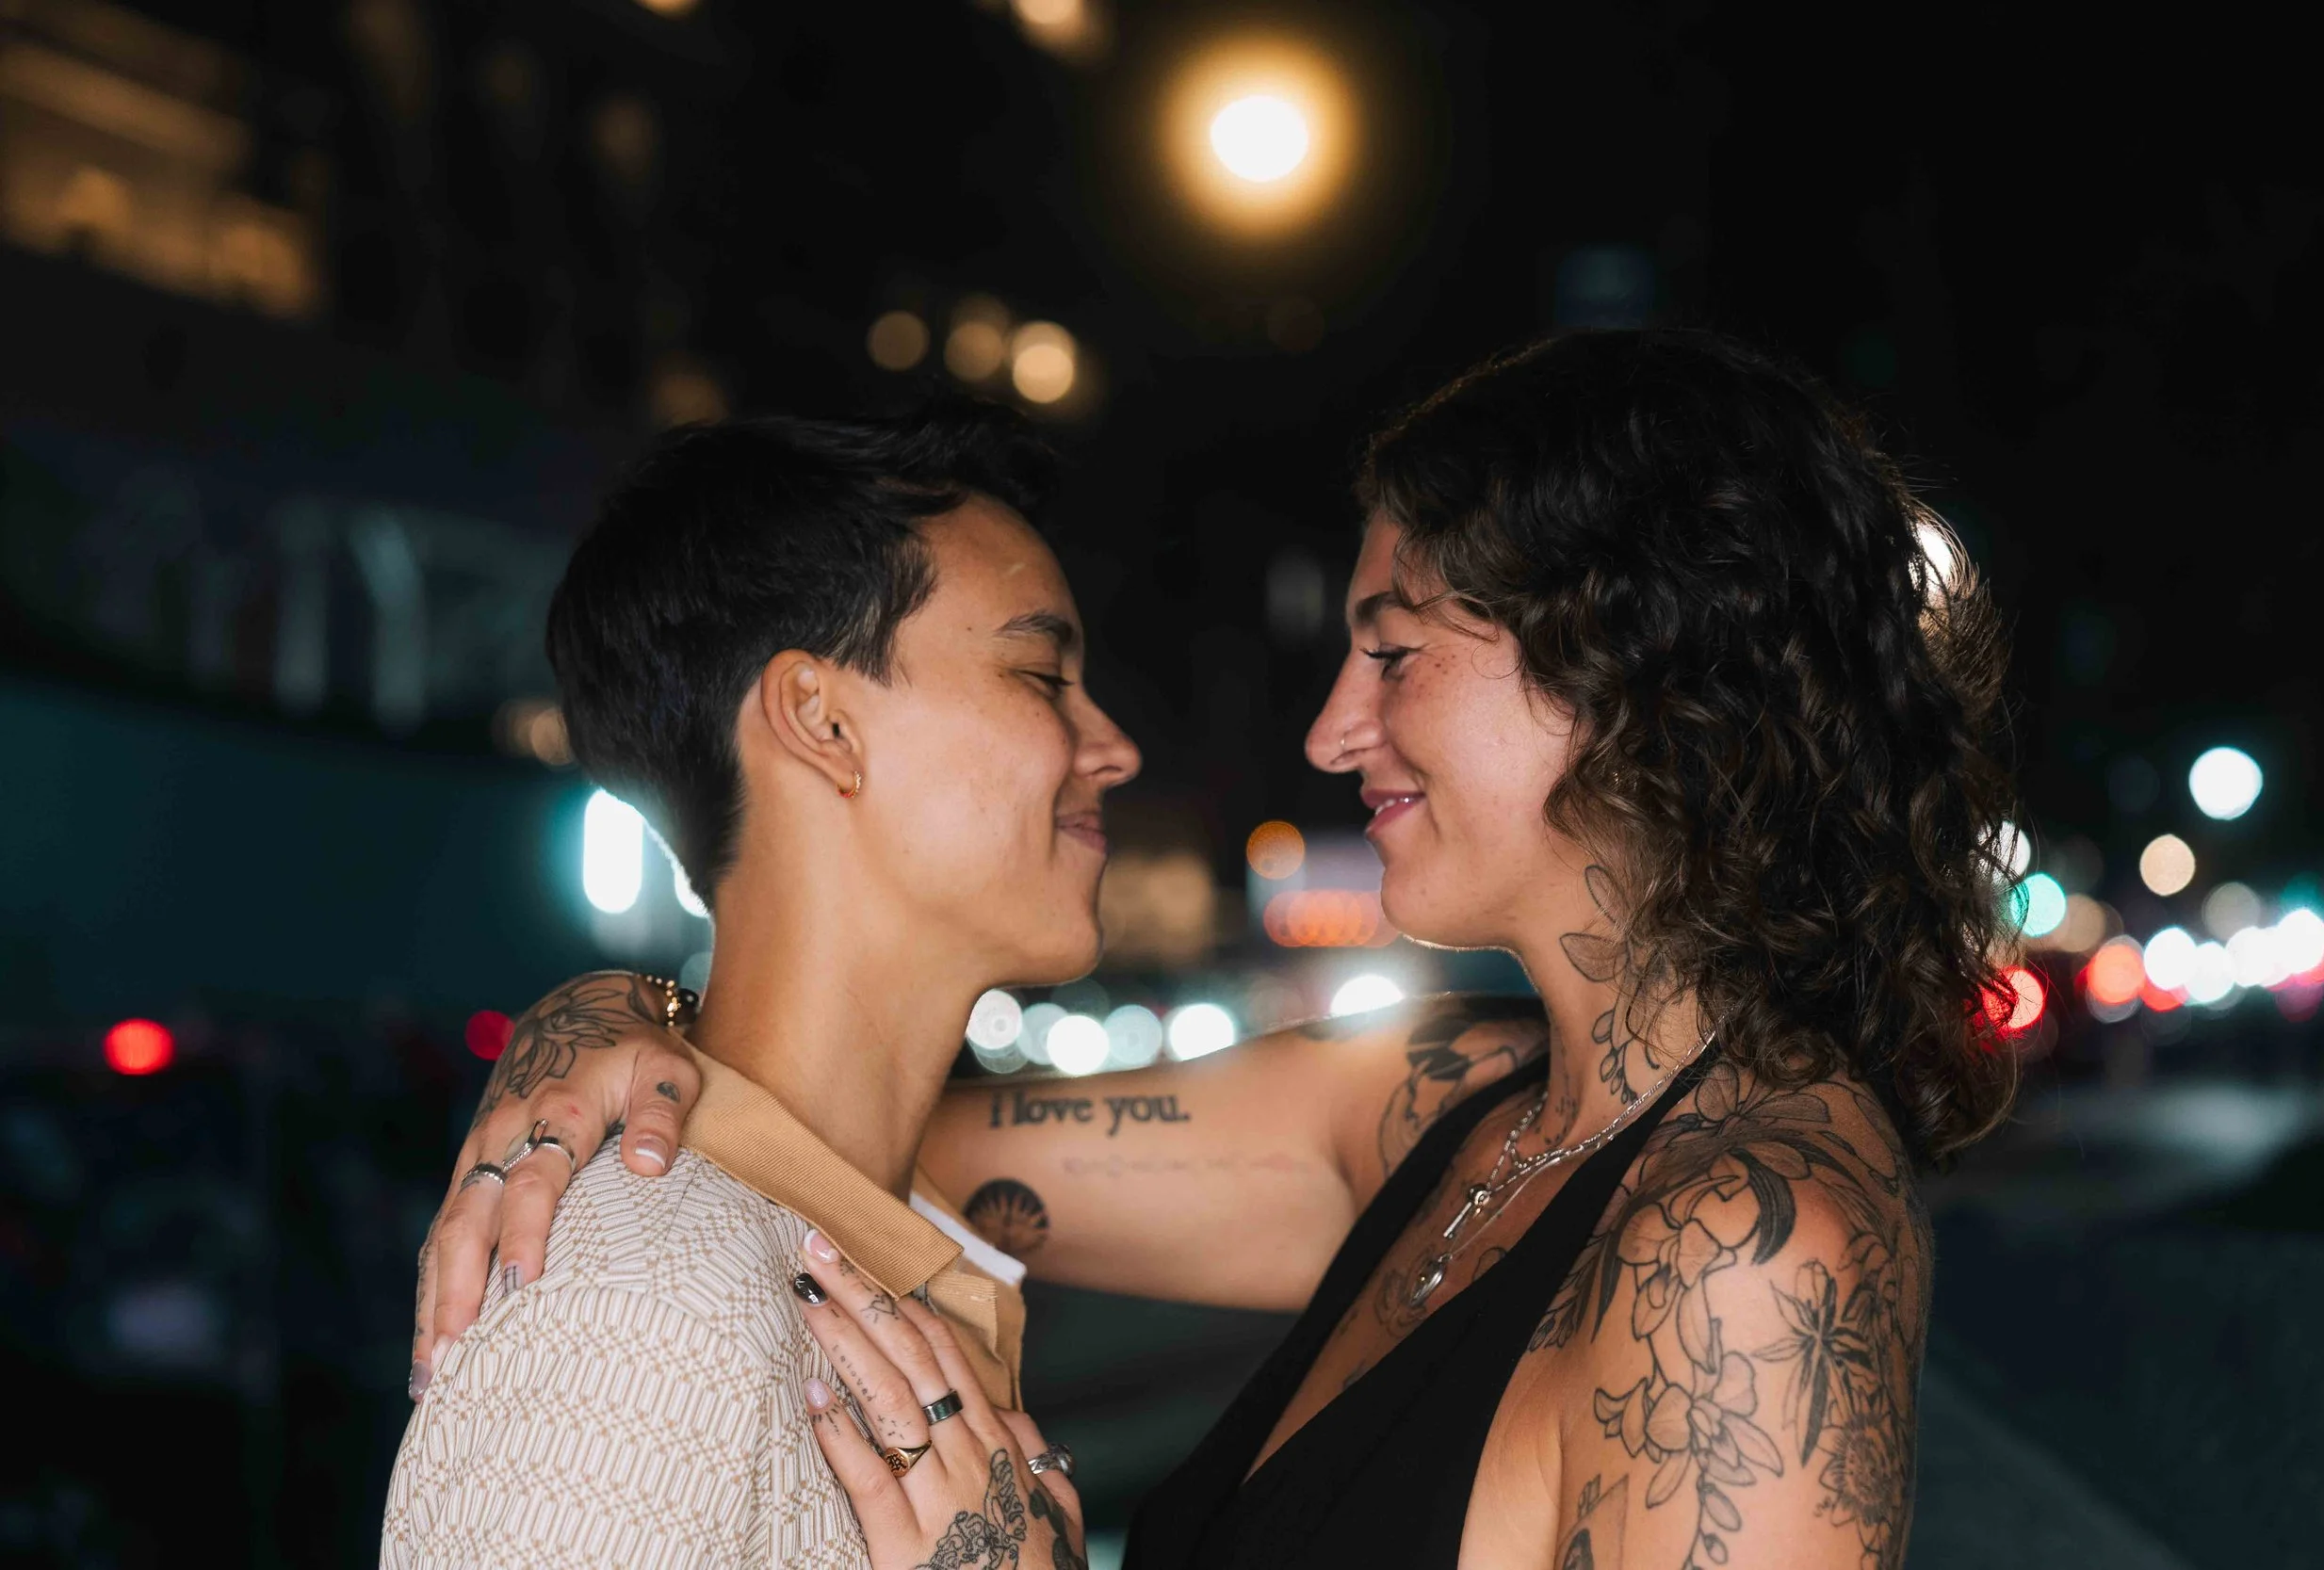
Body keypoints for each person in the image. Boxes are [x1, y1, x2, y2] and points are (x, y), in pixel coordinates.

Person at [414, 329, 2019, 1569]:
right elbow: (841, 1141)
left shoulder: (1753, 1246)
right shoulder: (1443, 1107)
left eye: (1391, 651)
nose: (1335, 729)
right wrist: (609, 1013)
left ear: (1632, 665)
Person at [381, 402, 1116, 1567]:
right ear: (821, 718)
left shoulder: (869, 1245)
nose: (1110, 744)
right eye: (1041, 674)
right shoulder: (639, 1314)